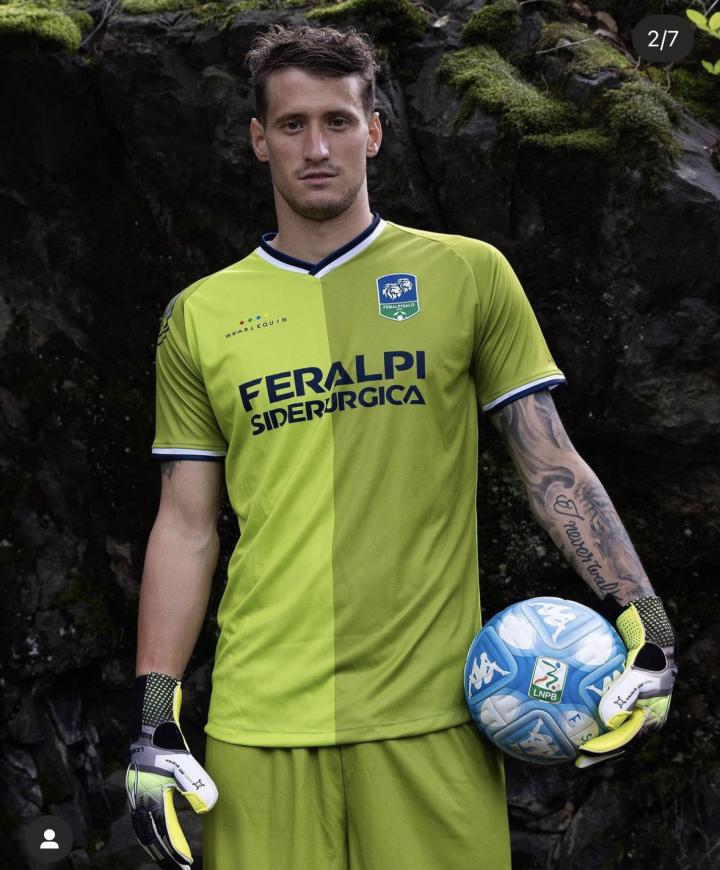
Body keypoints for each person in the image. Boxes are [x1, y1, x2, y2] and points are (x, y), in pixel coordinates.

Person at [124, 23, 678, 870]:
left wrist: (649, 624)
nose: (317, 147)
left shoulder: (469, 273)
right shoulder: (199, 315)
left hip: (437, 718)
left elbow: (551, 463)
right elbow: (186, 526)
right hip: (259, 722)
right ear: (259, 140)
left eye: (338, 121)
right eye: (293, 124)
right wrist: (154, 718)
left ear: (374, 131)